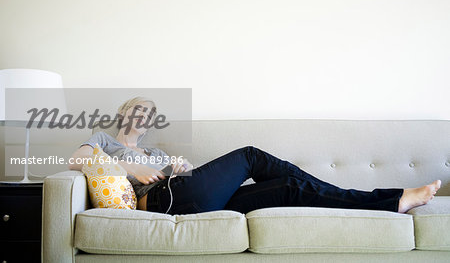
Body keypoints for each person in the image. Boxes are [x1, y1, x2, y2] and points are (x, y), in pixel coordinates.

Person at [69, 97, 441, 215]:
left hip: (186, 192)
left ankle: (390, 202)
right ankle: (368, 196)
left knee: (289, 187)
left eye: (148, 114)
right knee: (249, 155)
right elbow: (76, 159)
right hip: (162, 201)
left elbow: (195, 179)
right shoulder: (103, 138)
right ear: (124, 114)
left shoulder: (155, 151)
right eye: (137, 109)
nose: (142, 116)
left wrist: (180, 167)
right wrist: (129, 164)